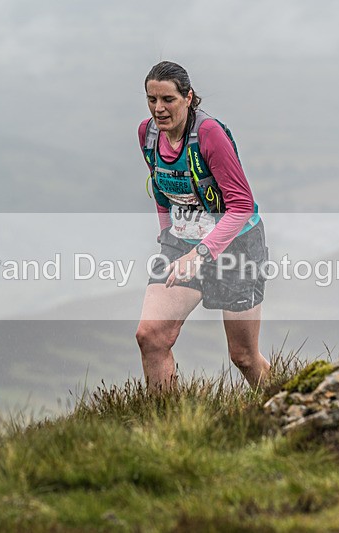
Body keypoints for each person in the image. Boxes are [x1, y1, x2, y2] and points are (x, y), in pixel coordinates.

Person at [135, 61, 271, 391]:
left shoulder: (209, 135)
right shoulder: (148, 134)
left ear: (188, 98)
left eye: (168, 99)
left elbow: (240, 206)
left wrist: (200, 254)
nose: (159, 108)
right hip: (182, 242)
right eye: (152, 99)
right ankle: (165, 430)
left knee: (243, 356)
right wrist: (168, 235)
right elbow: (161, 188)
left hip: (235, 244)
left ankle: (290, 411)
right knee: (151, 336)